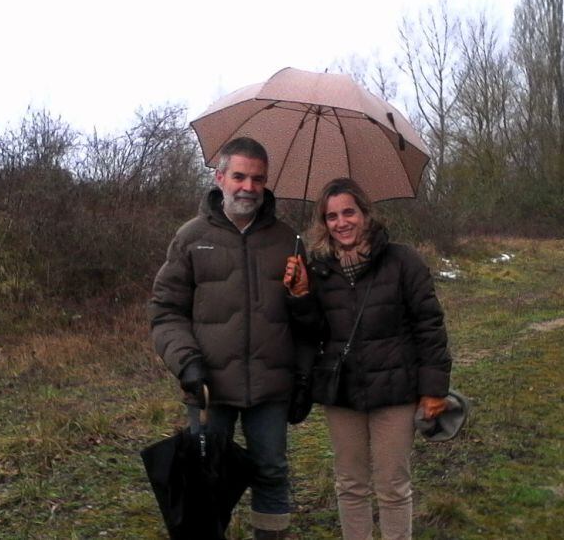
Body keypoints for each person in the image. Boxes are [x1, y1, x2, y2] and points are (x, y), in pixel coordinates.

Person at [149, 136, 307, 540]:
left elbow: (309, 320)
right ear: (220, 177)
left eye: (258, 179)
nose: (248, 187)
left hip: (271, 386)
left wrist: (302, 297)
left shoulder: (289, 241)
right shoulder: (190, 237)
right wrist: (187, 362)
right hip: (208, 388)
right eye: (239, 176)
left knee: (271, 471)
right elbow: (166, 311)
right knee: (204, 478)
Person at [283, 177, 452, 540]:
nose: (341, 222)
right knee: (350, 484)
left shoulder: (402, 260)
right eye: (331, 216)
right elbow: (312, 332)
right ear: (323, 223)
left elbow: (429, 325)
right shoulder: (320, 268)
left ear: (365, 214)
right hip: (342, 392)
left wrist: (434, 388)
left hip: (395, 390)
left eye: (349, 212)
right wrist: (300, 295)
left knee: (392, 486)